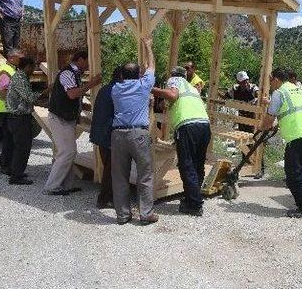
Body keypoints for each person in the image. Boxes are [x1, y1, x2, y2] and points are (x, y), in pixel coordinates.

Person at [259, 67, 302, 218]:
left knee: (293, 173)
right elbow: (290, 110)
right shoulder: (297, 88)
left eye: (270, 80)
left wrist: (260, 127)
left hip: (297, 137)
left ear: (276, 79)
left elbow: (268, 120)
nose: (270, 84)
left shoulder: (279, 93)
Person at [111, 38, 158, 225]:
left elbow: (146, 71)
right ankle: (145, 214)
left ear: (122, 75)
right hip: (138, 134)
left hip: (118, 135)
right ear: (139, 74)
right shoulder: (143, 85)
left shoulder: (115, 89)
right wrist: (148, 46)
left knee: (120, 176)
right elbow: (152, 67)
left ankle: (123, 215)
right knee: (145, 175)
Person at [152, 65, 211, 217]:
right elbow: (171, 102)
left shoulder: (175, 80)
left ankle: (194, 204)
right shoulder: (191, 88)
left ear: (173, 75)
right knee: (198, 164)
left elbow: (171, 95)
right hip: (204, 126)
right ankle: (193, 197)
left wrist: (150, 89)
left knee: (187, 164)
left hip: (188, 126)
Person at [44, 51, 102, 195]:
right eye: (88, 61)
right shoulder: (68, 73)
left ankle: (66, 185)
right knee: (67, 152)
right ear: (80, 59)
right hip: (60, 119)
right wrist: (92, 83)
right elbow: (72, 94)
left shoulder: (73, 74)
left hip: (65, 118)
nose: (89, 65)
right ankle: (51, 187)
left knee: (68, 151)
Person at [5, 57, 45, 185]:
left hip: (17, 117)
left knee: (19, 146)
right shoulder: (20, 78)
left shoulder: (21, 77)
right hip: (19, 118)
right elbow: (29, 97)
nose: (34, 70)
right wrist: (46, 91)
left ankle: (16, 171)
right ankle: (16, 176)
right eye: (32, 67)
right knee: (23, 147)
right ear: (27, 66)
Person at [90, 66, 123, 209]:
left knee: (109, 167)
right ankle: (104, 199)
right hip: (109, 134)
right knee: (112, 168)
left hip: (100, 134)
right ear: (122, 77)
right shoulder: (117, 91)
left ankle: (107, 197)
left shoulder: (105, 89)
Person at [0, 49, 24, 174]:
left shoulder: (12, 69)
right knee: (9, 139)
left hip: (7, 109)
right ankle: (5, 166)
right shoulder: (5, 71)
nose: (21, 60)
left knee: (10, 138)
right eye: (19, 58)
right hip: (6, 110)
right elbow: (4, 92)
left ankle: (3, 161)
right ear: (11, 58)